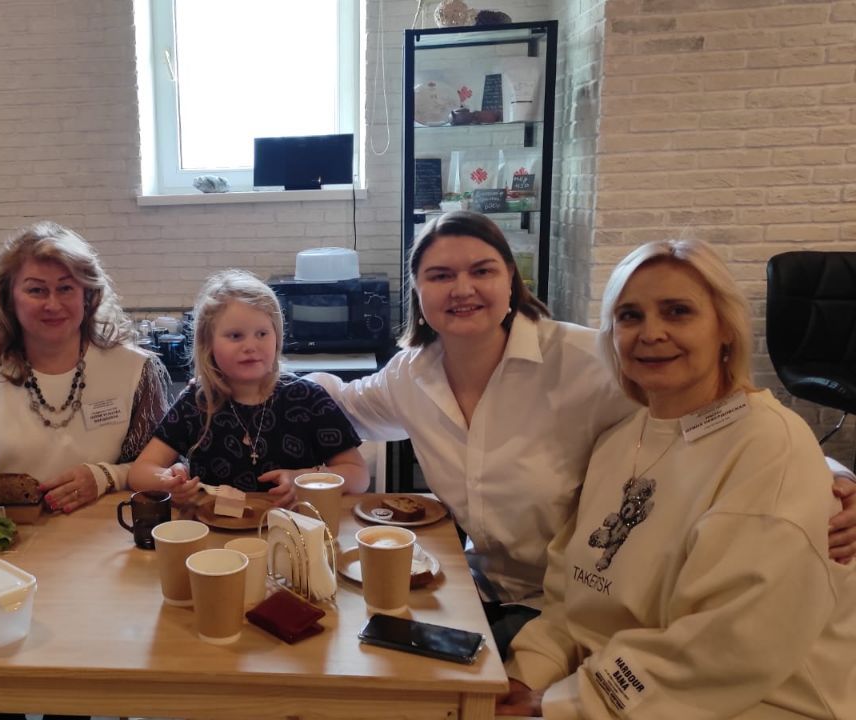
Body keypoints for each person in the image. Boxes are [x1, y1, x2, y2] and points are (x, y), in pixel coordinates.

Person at [307, 211, 856, 656]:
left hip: (586, 609)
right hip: (484, 590)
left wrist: (829, 477)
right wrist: (263, 368)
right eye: (440, 276)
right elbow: (336, 406)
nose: (463, 289)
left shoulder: (586, 361)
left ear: (511, 280)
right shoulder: (410, 375)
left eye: (482, 270)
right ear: (417, 290)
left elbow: (707, 420)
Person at [498, 239, 856, 719]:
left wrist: (562, 703)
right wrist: (526, 673)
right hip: (614, 688)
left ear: (725, 328)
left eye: (678, 312)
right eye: (630, 316)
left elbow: (729, 645)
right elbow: (571, 591)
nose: (651, 333)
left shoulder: (768, 447)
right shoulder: (620, 440)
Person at [0, 220, 170, 513]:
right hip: (4, 530)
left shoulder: (136, 370)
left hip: (104, 528)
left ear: (87, 295)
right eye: (36, 290)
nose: (53, 305)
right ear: (8, 298)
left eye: (66, 288)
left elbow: (161, 467)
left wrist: (106, 476)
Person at [128, 269, 367, 508]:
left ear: (277, 337)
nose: (251, 346)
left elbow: (358, 475)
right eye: (235, 336)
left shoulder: (308, 398)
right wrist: (167, 482)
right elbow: (139, 472)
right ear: (208, 344)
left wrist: (305, 480)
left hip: (294, 526)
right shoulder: (196, 401)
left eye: (262, 333)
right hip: (214, 529)